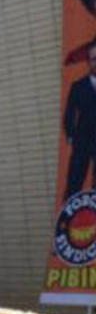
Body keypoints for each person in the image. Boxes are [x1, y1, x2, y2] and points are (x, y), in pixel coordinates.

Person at [64, 43, 96, 199]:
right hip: (82, 140)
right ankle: (67, 220)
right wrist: (71, 136)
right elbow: (69, 114)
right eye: (94, 59)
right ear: (89, 62)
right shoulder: (78, 86)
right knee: (74, 184)